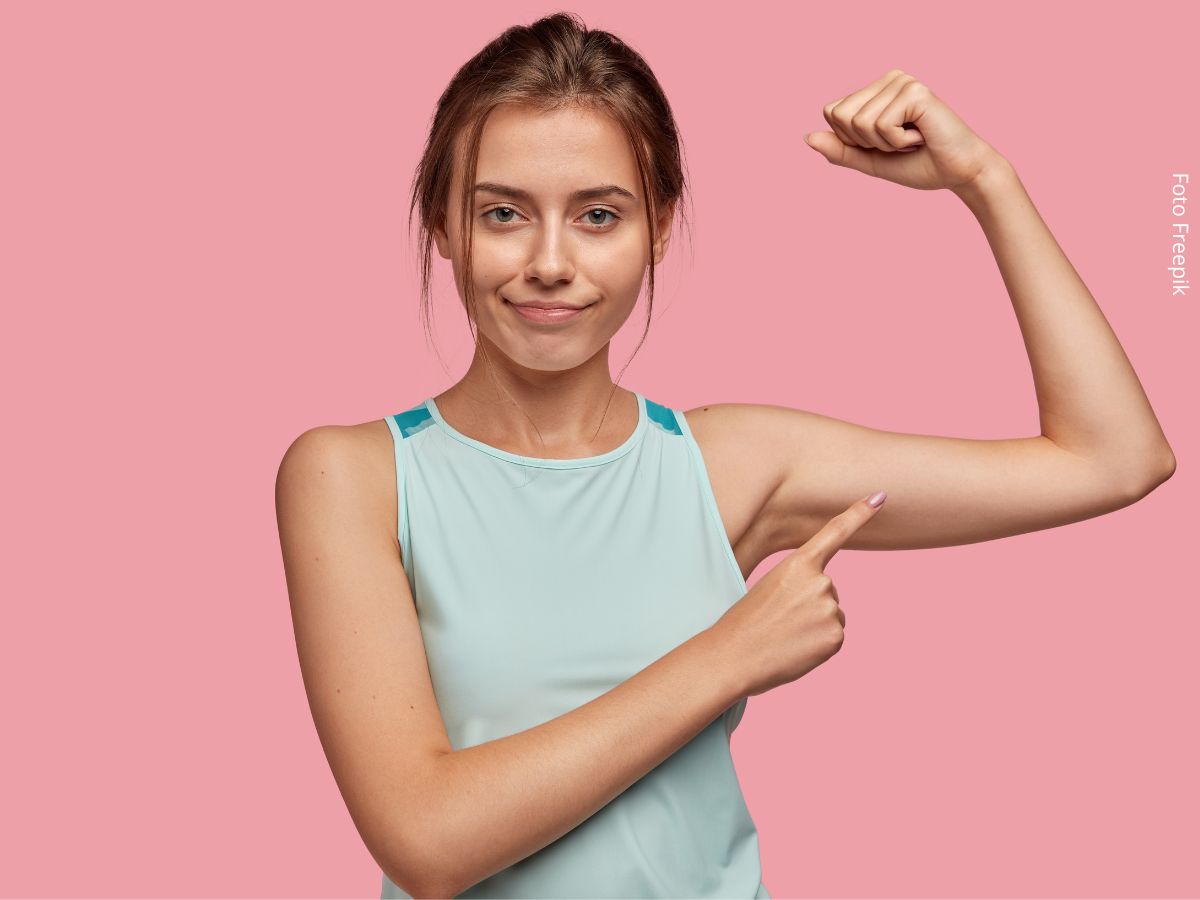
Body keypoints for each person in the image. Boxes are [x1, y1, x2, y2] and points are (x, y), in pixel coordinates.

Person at [274, 12, 1176, 899]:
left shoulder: (733, 466)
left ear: (659, 228)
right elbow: (428, 843)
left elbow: (1113, 458)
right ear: (441, 224)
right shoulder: (352, 476)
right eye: (503, 212)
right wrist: (728, 656)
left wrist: (987, 180)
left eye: (598, 215)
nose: (550, 262)